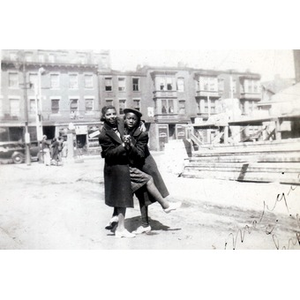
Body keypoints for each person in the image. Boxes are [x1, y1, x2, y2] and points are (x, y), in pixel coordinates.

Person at [105, 107, 181, 235]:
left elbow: (139, 154)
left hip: (142, 164)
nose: (130, 121)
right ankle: (116, 219)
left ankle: (144, 224)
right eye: (128, 118)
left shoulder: (142, 133)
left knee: (143, 195)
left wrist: (130, 145)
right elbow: (110, 119)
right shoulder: (121, 126)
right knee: (122, 191)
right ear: (124, 119)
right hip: (128, 165)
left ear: (138, 121)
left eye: (134, 119)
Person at [99, 105, 136, 238]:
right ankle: (120, 229)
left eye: (114, 113)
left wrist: (141, 124)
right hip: (114, 168)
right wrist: (123, 146)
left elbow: (128, 120)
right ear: (104, 117)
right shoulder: (103, 135)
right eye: (108, 115)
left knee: (123, 198)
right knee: (122, 198)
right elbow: (109, 154)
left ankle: (118, 223)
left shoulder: (119, 123)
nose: (112, 116)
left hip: (123, 165)